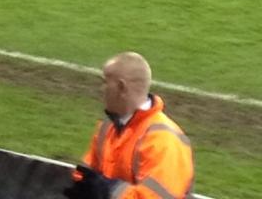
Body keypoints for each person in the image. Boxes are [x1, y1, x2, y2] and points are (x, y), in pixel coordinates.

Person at [64, 52, 194, 199]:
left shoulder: (163, 140)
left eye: (105, 82)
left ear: (121, 87)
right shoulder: (108, 128)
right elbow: (85, 176)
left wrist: (107, 191)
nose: (102, 89)